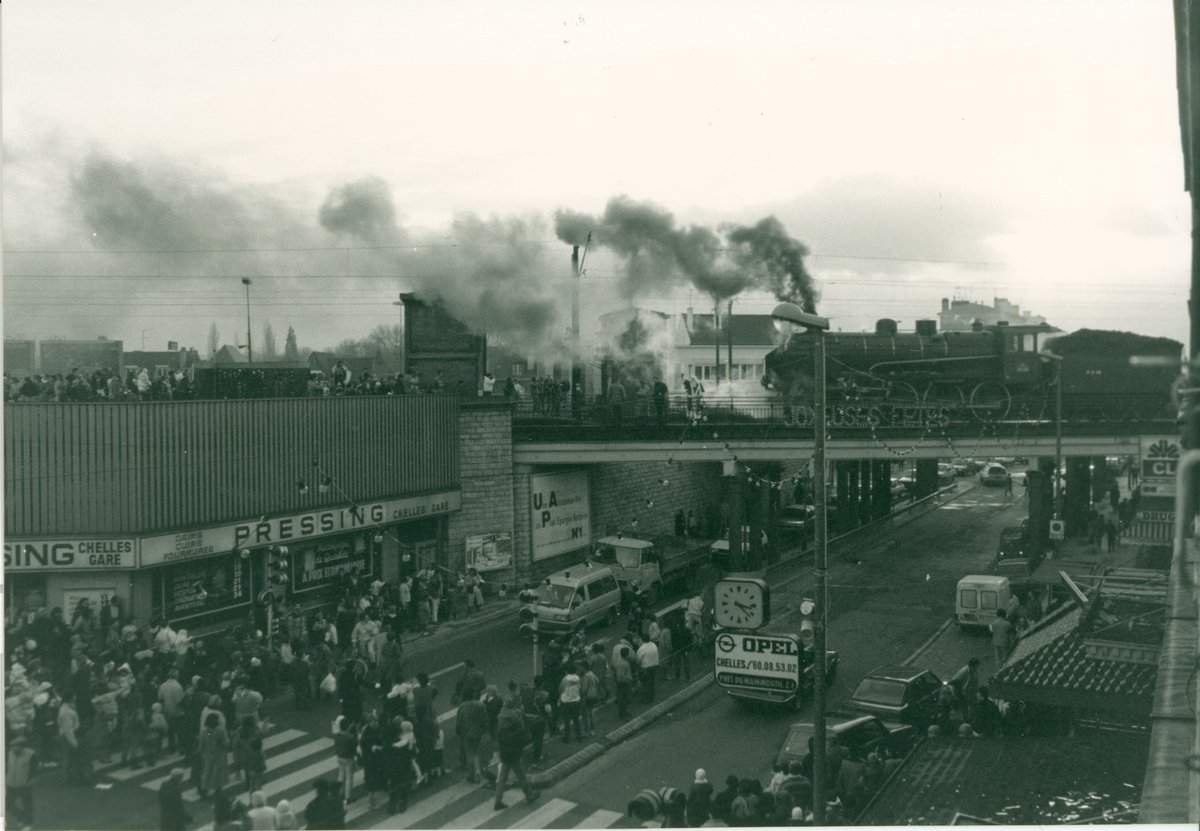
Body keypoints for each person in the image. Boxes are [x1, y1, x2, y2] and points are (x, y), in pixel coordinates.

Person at [494, 697, 538, 810]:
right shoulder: (514, 717)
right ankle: (529, 795)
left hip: (504, 751)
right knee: (520, 774)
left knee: (502, 777)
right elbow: (521, 729)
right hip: (513, 752)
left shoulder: (500, 719)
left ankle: (497, 801)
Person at [198, 712, 230, 798]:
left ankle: (204, 790)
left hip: (208, 755)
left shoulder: (205, 731)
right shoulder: (221, 731)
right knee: (217, 773)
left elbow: (201, 745)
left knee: (207, 772)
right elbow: (225, 743)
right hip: (219, 754)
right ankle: (217, 790)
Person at [6, 735, 35, 829]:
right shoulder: (8, 753)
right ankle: (21, 815)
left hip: (24, 784)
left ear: (23, 747)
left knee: (27, 804)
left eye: (17, 746)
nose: (15, 748)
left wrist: (31, 781)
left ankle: (28, 823)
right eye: (13, 746)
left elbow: (35, 770)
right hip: (10, 783)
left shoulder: (31, 755)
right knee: (8, 804)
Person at [333, 716, 358, 803]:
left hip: (339, 756)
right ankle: (348, 796)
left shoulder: (337, 735)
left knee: (341, 774)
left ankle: (340, 792)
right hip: (348, 758)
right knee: (349, 777)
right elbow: (355, 744)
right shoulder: (350, 737)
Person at [636, 636, 660, 703]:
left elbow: (637, 660)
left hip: (646, 668)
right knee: (651, 683)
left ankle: (647, 699)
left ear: (642, 640)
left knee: (646, 684)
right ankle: (651, 697)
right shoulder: (653, 644)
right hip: (654, 666)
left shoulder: (641, 648)